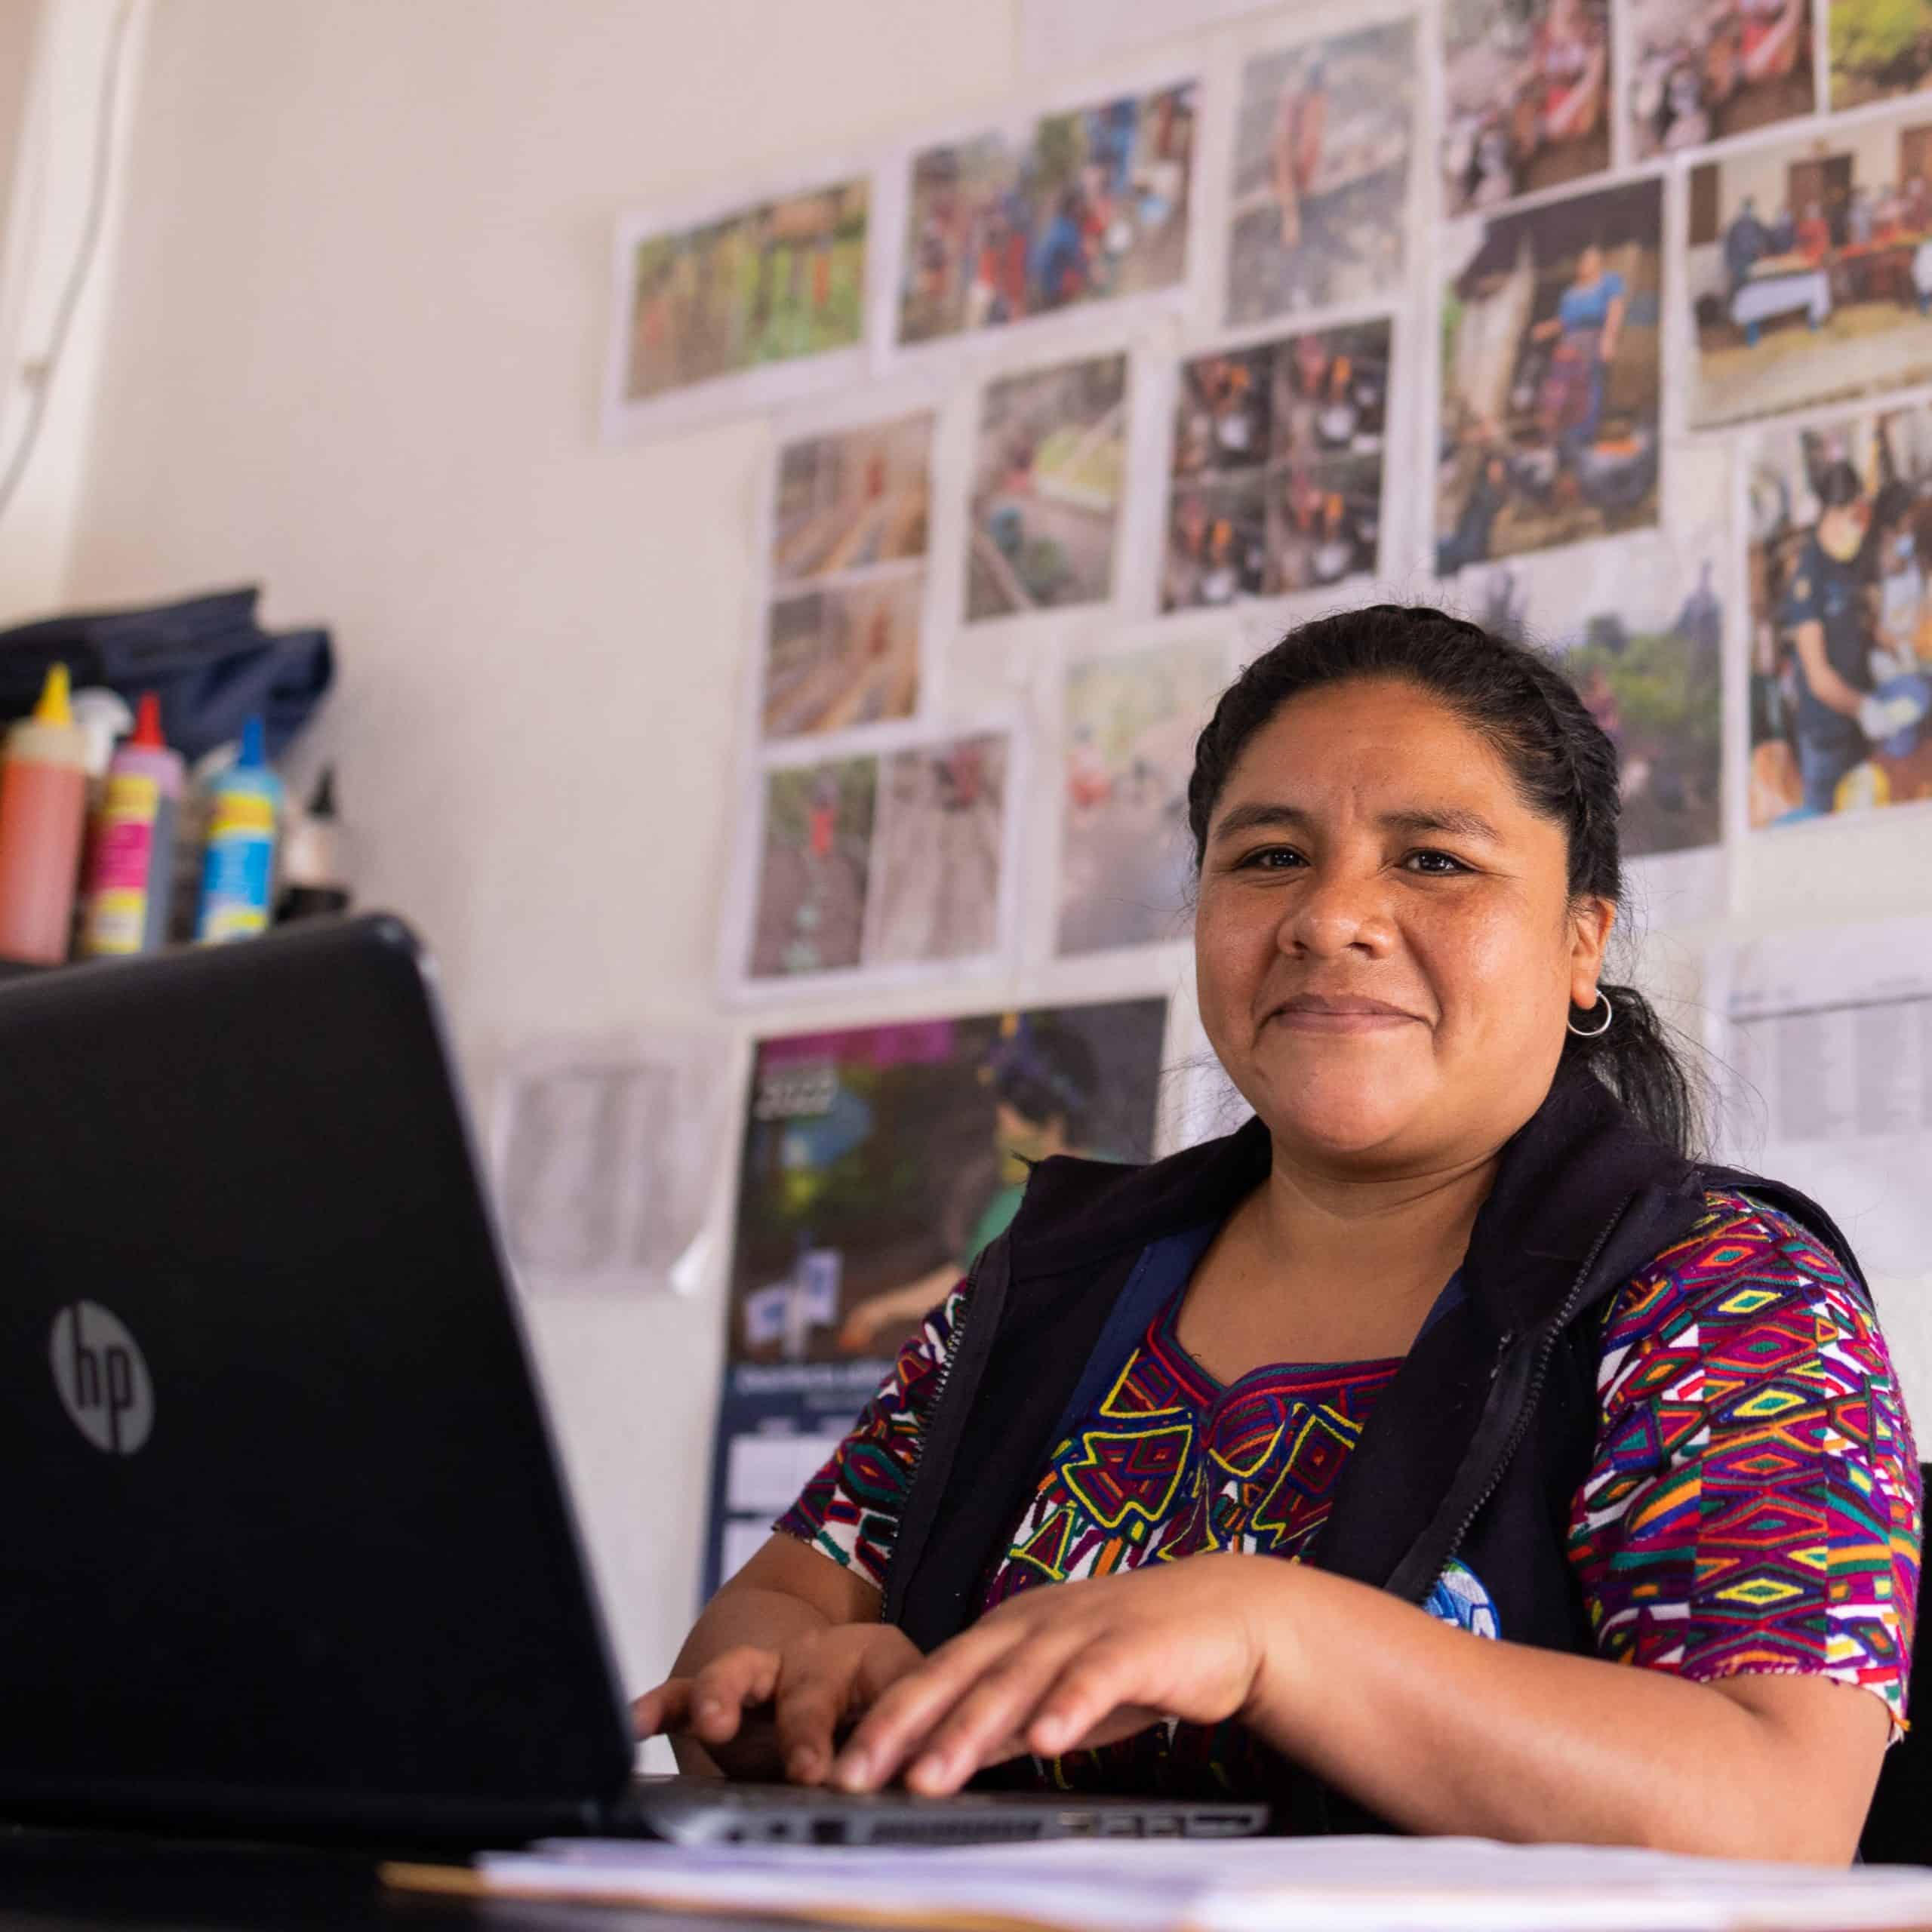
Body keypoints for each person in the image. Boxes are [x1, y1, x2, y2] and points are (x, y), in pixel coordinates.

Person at [637, 608, 1919, 1858]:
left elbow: (1777, 1805)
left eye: (1433, 859)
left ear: (1583, 941)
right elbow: (776, 1608)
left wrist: (1280, 1635)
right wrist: (809, 1684)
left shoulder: (1723, 1298)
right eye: (1268, 858)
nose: (1328, 917)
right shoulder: (1053, 1280)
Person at [834, 1020, 1101, 1356]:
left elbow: (966, 1284)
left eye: (1007, 1108)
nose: (1000, 1123)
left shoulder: (1023, 1202)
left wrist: (878, 1311)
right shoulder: (1115, 1172)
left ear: (1041, 1110)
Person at [1780, 460, 1886, 813]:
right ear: (1838, 508)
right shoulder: (1809, 575)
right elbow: (1818, 677)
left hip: (1855, 721)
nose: (1859, 518)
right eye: (1854, 508)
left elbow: (1856, 619)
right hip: (1826, 732)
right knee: (1827, 819)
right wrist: (1865, 707)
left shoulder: (1843, 556)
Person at [1531, 242, 1625, 471]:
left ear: (1599, 262)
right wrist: (1546, 329)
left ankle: (1582, 445)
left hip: (1593, 340)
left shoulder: (1609, 282)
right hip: (1569, 345)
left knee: (1589, 391)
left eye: (1589, 260)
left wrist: (1609, 339)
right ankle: (1558, 447)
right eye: (1582, 260)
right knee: (1560, 394)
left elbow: (1615, 309)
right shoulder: (1571, 293)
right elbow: (1564, 322)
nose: (1584, 265)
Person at [1723, 195, 1769, 297]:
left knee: (1750, 290)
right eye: (1749, 208)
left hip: (1752, 262)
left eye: (1752, 208)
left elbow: (1764, 238)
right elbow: (1728, 247)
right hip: (1738, 264)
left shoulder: (1756, 223)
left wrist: (1762, 250)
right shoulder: (1735, 226)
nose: (1750, 211)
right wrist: (1729, 266)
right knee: (1738, 289)